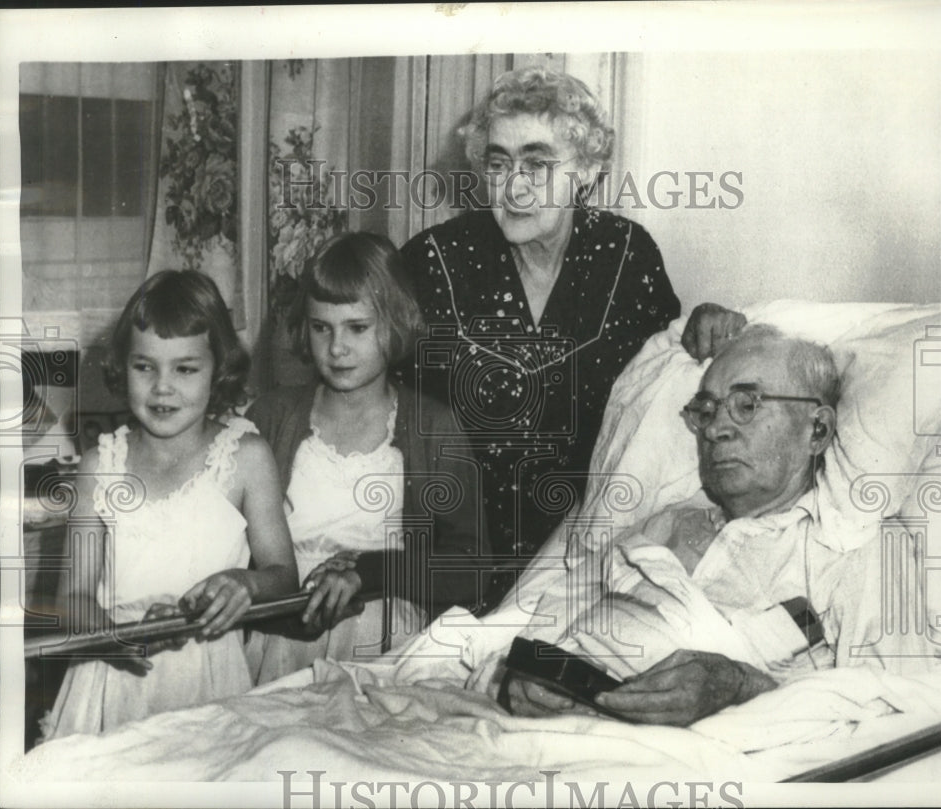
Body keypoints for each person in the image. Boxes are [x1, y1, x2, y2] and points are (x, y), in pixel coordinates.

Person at [500, 325, 941, 725]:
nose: (715, 430)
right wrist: (518, 681)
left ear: (818, 430)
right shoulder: (663, 524)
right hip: (527, 737)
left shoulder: (860, 549)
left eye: (746, 405)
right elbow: (541, 625)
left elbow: (904, 713)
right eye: (707, 411)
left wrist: (741, 686)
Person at [401, 66, 685, 602]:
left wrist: (704, 328)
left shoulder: (627, 256)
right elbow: (385, 403)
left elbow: (666, 380)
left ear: (583, 170)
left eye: (536, 162)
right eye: (499, 163)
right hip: (456, 555)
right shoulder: (435, 261)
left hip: (586, 560)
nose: (514, 186)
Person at [42, 270, 298, 740]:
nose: (162, 387)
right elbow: (71, 599)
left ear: (219, 369)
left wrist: (248, 582)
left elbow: (285, 576)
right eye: (145, 367)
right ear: (123, 366)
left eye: (185, 368)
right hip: (112, 681)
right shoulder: (99, 466)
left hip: (210, 684)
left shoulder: (247, 458)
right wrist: (126, 636)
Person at [246, 232, 488, 684]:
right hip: (278, 642)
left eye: (357, 328)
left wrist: (370, 571)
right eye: (322, 327)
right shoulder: (269, 417)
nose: (336, 348)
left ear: (395, 323)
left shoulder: (435, 428)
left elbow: (470, 567)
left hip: (382, 647)